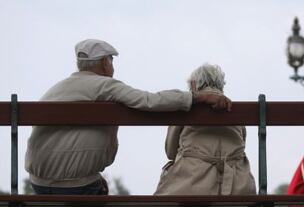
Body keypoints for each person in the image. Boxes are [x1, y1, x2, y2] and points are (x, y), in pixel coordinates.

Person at [25, 39, 232, 195]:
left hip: (38, 184)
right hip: (78, 186)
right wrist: (198, 97)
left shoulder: (55, 90)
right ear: (106, 63)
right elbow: (150, 101)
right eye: (111, 60)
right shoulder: (105, 85)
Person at [154, 63, 256, 195]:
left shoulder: (186, 109)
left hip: (192, 184)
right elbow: (242, 144)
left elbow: (170, 151)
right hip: (237, 187)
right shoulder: (235, 111)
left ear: (194, 85)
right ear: (221, 85)